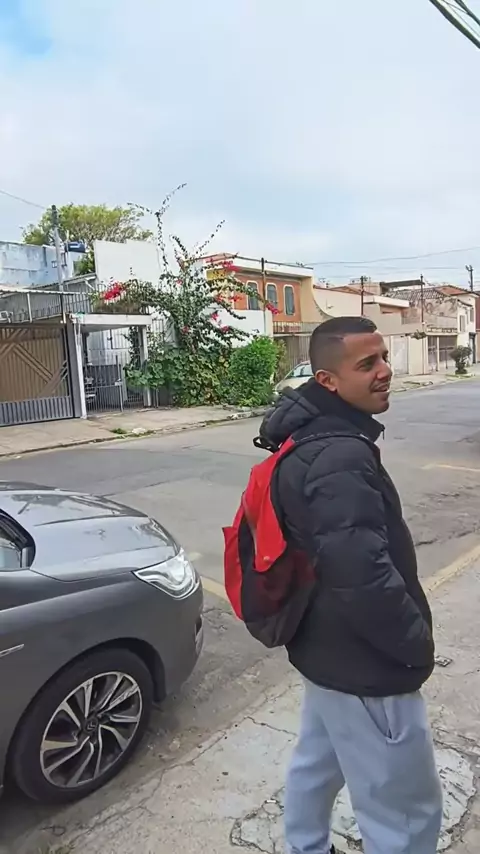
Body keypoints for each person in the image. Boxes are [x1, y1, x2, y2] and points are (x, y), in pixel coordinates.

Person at [257, 316, 442, 854]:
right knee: (402, 808)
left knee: (318, 762)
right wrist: (413, 645)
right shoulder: (339, 455)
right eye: (367, 364)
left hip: (326, 648)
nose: (385, 371)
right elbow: (361, 574)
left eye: (383, 357)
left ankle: (305, 845)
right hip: (365, 658)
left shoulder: (315, 435)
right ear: (328, 380)